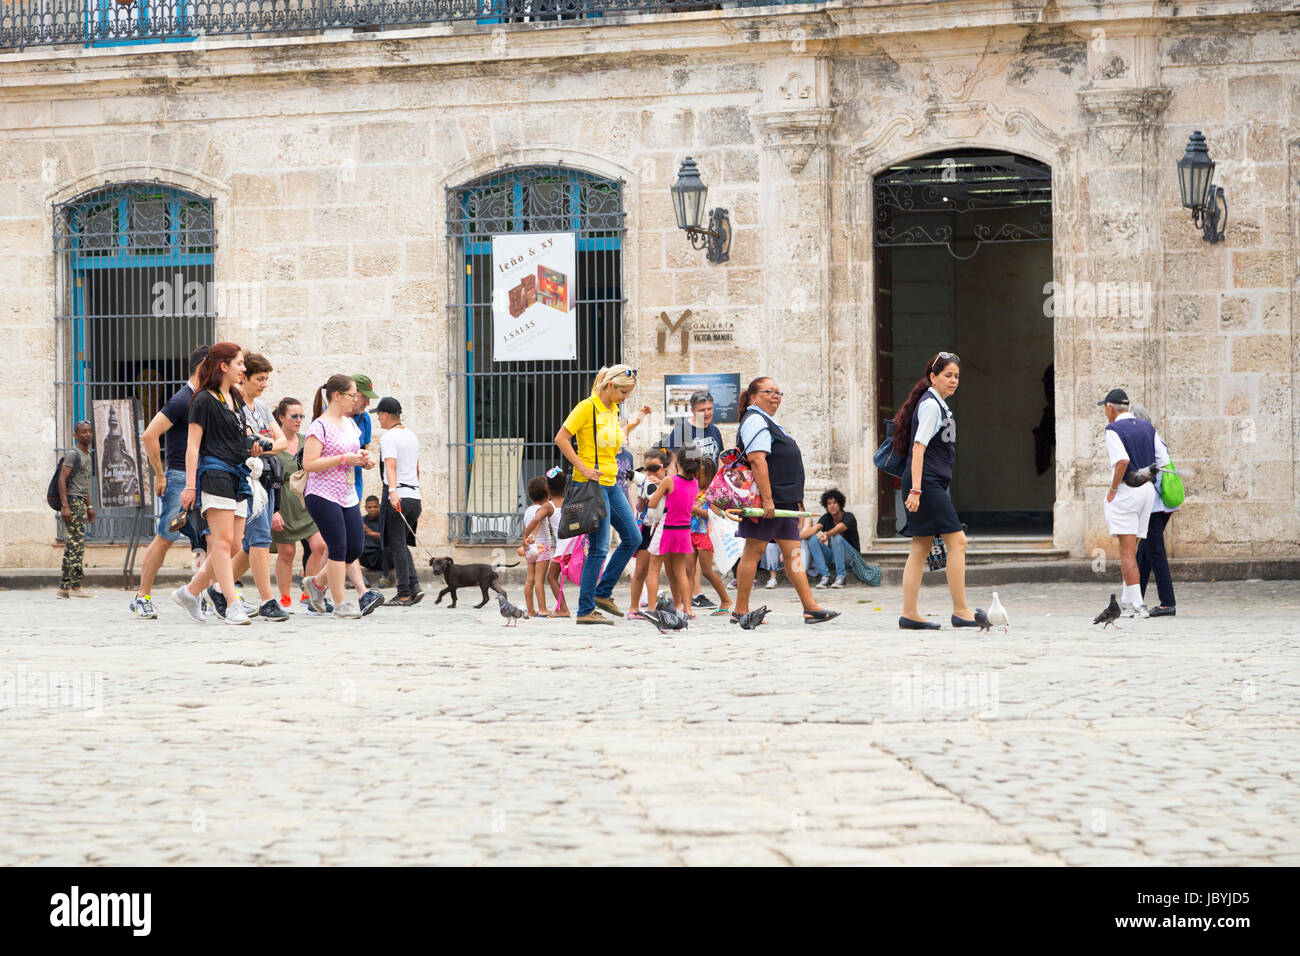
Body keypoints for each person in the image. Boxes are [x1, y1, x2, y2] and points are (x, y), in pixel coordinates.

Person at [172, 344, 274, 626]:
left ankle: (190, 592)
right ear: (223, 366)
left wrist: (254, 445)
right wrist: (190, 486)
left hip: (238, 474)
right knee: (222, 541)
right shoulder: (203, 399)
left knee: (233, 546)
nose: (244, 368)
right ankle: (231, 603)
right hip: (214, 473)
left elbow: (244, 434)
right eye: (240, 363)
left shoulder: (236, 398)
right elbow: (192, 446)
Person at [729, 377, 838, 625]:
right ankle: (739, 610)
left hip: (784, 502)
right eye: (770, 392)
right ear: (755, 396)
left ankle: (810, 607)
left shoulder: (768, 421)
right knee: (753, 552)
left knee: (794, 553)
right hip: (767, 502)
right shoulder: (755, 419)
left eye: (779, 392)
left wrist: (796, 501)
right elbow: (757, 460)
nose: (776, 396)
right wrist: (767, 500)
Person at [553, 365, 643, 625]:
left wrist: (635, 423)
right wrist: (582, 467)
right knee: (600, 547)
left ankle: (603, 593)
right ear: (611, 387)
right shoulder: (587, 407)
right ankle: (585, 610)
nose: (625, 397)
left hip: (611, 482)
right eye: (623, 392)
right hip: (590, 485)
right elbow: (562, 438)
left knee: (632, 537)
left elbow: (611, 442)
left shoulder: (613, 410)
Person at [893, 352, 977, 630]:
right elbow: (919, 448)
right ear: (933, 377)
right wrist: (916, 490)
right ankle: (961, 611)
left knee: (921, 546)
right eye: (947, 375)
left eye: (956, 376)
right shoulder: (930, 405)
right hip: (925, 483)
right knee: (958, 542)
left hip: (931, 482)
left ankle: (909, 613)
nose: (953, 381)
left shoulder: (936, 404)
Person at [129, 345, 208, 619]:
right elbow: (150, 434)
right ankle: (142, 597)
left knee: (207, 540)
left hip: (204, 476)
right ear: (203, 368)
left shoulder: (208, 398)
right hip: (177, 477)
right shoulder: (181, 400)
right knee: (165, 537)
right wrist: (159, 474)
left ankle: (200, 595)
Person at [301, 375, 379, 619]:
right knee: (338, 546)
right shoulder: (319, 426)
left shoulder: (351, 424)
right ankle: (340, 603)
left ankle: (316, 584)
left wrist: (365, 459)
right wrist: (344, 459)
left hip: (346, 493)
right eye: (351, 395)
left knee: (354, 547)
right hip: (322, 493)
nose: (355, 400)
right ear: (337, 396)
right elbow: (309, 463)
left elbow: (356, 450)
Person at [224, 353, 288, 621]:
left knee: (251, 545)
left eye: (266, 379)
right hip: (246, 479)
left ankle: (212, 589)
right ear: (244, 377)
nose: (264, 384)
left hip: (267, 479)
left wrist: (263, 443)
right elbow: (241, 444)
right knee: (259, 539)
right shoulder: (233, 406)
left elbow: (282, 441)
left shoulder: (261, 408)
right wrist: (265, 443)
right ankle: (267, 600)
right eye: (260, 379)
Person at [1100, 388, 1160, 618]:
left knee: (1126, 551)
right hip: (1146, 491)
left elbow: (1122, 461)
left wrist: (1113, 488)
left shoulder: (1113, 428)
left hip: (1127, 491)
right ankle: (1127, 600)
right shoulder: (1147, 426)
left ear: (1110, 408)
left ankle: (1138, 605)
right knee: (1133, 547)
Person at [270, 397, 328, 610]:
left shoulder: (306, 440)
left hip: (306, 499)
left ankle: (308, 592)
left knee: (320, 545)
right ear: (281, 417)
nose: (298, 420)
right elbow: (267, 479)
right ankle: (284, 597)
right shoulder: (274, 444)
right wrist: (274, 511)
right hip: (282, 500)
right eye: (294, 416)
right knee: (287, 552)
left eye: (301, 416)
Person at [376, 396, 423, 606]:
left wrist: (393, 492)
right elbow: (416, 469)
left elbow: (391, 465)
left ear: (385, 414)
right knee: (402, 544)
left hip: (399, 495)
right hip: (414, 497)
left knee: (396, 545)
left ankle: (404, 593)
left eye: (378, 415)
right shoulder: (412, 436)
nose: (378, 419)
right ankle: (414, 586)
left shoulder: (389, 437)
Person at [1132, 404, 1178, 617]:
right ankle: (1135, 599)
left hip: (1156, 505)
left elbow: (1151, 473)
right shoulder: (1154, 436)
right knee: (1145, 552)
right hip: (1160, 504)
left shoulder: (1147, 438)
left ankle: (1167, 602)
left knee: (1155, 552)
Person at [644, 449, 701, 616]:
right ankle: (687, 609)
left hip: (666, 529)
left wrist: (656, 487)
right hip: (683, 530)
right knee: (681, 572)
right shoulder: (695, 483)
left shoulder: (669, 480)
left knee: (653, 569)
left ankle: (651, 608)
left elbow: (652, 503)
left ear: (678, 463)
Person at [56, 419, 96, 599]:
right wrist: (65, 506)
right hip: (73, 502)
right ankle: (76, 587)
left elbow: (85, 484)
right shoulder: (73, 454)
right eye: (84, 431)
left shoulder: (87, 454)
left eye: (89, 431)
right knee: (77, 545)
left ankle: (64, 588)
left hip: (81, 502)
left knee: (71, 544)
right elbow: (62, 480)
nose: (88, 434)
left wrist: (89, 506)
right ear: (76, 435)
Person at [626, 449, 666, 619]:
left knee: (671, 571)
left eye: (655, 468)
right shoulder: (643, 483)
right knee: (641, 570)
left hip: (664, 528)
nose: (650, 473)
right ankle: (634, 608)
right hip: (647, 528)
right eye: (647, 469)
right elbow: (641, 507)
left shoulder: (670, 482)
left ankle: (677, 605)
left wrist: (661, 486)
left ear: (664, 467)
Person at [689, 456, 731, 615]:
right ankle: (687, 607)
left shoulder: (712, 492)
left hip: (704, 534)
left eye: (700, 476)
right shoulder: (693, 489)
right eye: (695, 475)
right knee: (689, 571)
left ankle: (726, 599)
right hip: (690, 532)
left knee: (707, 571)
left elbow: (713, 515)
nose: (697, 478)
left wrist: (694, 509)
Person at [809, 488, 859, 589]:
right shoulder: (826, 518)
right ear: (826, 506)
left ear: (840, 504)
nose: (832, 505)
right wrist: (795, 539)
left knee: (835, 536)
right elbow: (814, 529)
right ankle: (825, 577)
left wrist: (827, 535)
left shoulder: (849, 517)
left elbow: (840, 527)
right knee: (812, 539)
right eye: (829, 503)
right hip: (833, 559)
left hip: (851, 558)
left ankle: (841, 577)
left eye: (835, 502)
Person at [520, 476, 553, 617]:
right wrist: (534, 534)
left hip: (530, 549)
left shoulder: (528, 510)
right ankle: (543, 609)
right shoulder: (542, 508)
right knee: (540, 580)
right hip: (541, 546)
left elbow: (526, 526)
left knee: (530, 579)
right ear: (547, 493)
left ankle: (530, 610)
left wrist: (527, 538)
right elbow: (538, 522)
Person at [666, 390, 725, 463]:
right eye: (702, 410)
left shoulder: (715, 430)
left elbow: (718, 458)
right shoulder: (681, 430)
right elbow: (672, 460)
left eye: (709, 409)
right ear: (693, 411)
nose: (707, 413)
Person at [544, 468, 573, 617]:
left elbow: (536, 519)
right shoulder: (570, 501)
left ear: (547, 487)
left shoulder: (549, 505)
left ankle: (563, 609)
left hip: (563, 547)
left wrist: (527, 536)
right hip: (575, 543)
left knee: (551, 576)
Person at [360, 496, 385, 575]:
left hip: (382, 557)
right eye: (370, 507)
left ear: (379, 506)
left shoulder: (385, 520)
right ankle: (360, 579)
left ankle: (385, 577)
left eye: (375, 507)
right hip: (366, 557)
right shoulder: (362, 520)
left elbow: (390, 538)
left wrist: (371, 533)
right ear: (366, 508)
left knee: (388, 548)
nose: (372, 509)